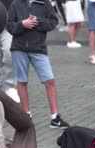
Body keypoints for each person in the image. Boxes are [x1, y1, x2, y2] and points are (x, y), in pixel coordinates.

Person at [7, 0, 70, 129]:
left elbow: (53, 22)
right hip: (19, 48)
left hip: (38, 48)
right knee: (22, 81)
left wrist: (38, 22)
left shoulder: (44, 3)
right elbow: (9, 26)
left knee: (49, 81)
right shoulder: (16, 3)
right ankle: (26, 116)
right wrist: (22, 24)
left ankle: (55, 117)